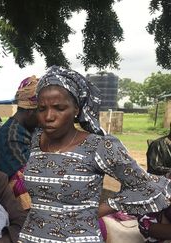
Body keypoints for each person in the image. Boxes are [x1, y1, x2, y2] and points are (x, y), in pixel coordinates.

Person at [19, 66, 171, 243]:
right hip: (31, 237)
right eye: (42, 108)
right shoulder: (37, 140)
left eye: (59, 108)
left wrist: (104, 207)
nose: (49, 116)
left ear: (76, 109)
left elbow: (147, 186)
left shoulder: (98, 146)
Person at [0, 76, 38, 210]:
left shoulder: (26, 129)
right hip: (10, 203)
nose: (46, 117)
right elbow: (28, 177)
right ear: (31, 112)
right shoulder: (11, 136)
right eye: (42, 112)